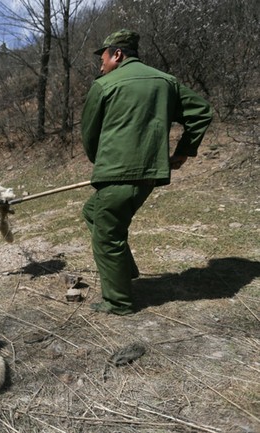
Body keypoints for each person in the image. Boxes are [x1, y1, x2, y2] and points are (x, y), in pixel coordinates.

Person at [81, 30, 213, 315]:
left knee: (107, 237)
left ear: (117, 54)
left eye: (102, 57)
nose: (100, 65)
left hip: (116, 176)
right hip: (149, 176)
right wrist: (183, 151)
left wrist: (101, 164)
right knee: (93, 212)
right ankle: (123, 271)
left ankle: (118, 302)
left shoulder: (104, 85)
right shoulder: (166, 82)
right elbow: (201, 111)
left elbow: (89, 135)